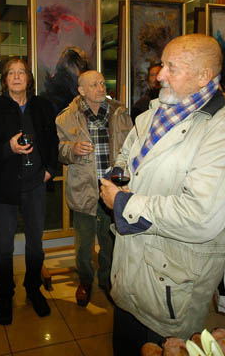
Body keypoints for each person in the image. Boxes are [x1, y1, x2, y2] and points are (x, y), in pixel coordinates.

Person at [99, 34, 225, 353]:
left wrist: (124, 202)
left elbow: (200, 216)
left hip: (170, 289)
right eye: (162, 65)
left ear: (203, 76)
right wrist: (119, 174)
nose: (160, 76)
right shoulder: (152, 116)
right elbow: (126, 156)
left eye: (171, 67)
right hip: (129, 276)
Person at [0, 57, 59, 326]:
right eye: (12, 73)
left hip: (35, 184)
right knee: (3, 245)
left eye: (22, 72)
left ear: (29, 78)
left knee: (35, 243)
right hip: (5, 185)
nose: (17, 76)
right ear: (5, 79)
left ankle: (32, 289)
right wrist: (7, 148)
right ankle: (6, 293)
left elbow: (53, 140)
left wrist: (50, 169)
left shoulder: (43, 106)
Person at [56, 70, 132, 306]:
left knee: (110, 239)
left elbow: (132, 146)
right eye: (94, 85)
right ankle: (85, 281)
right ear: (82, 91)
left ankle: (106, 280)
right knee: (84, 243)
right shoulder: (66, 117)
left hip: (112, 187)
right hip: (84, 188)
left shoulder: (120, 112)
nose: (101, 88)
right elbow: (59, 151)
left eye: (102, 83)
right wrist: (72, 149)